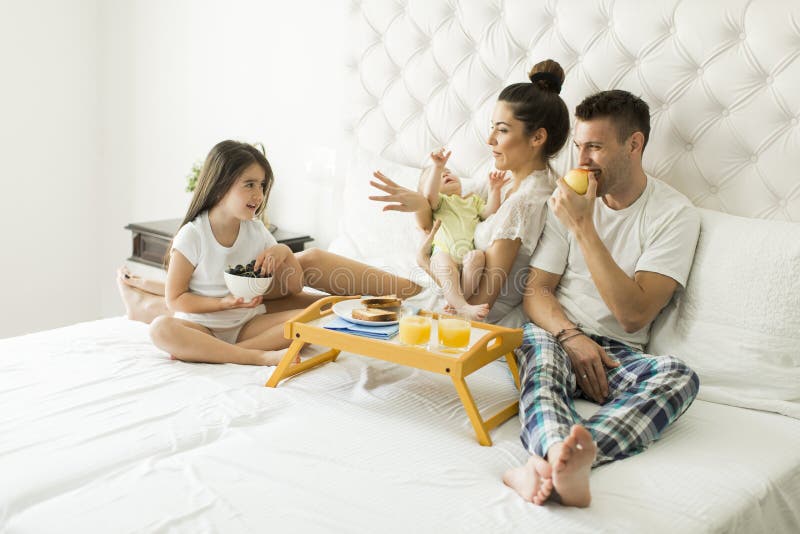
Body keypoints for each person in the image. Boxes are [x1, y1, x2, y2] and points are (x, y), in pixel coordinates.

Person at [502, 90, 702, 508]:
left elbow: (633, 315)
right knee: (540, 362)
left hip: (617, 353)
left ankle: (549, 461)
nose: (581, 160)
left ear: (634, 145)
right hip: (557, 333)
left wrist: (584, 227)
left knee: (679, 377)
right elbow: (535, 291)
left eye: (594, 147)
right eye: (578, 146)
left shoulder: (674, 215)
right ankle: (562, 458)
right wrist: (571, 337)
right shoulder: (567, 198)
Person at [370, 59, 571, 328]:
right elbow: (447, 201)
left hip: (460, 309)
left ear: (537, 138)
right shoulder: (509, 182)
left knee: (318, 271)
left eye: (502, 130)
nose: (490, 140)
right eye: (492, 127)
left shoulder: (524, 203)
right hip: (449, 289)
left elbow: (481, 305)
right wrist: (421, 203)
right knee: (311, 261)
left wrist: (425, 262)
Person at [148, 140, 307, 365]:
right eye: (249, 184)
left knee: (308, 324)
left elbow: (296, 287)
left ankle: (215, 352)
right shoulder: (193, 235)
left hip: (246, 325)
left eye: (262, 185)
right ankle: (257, 356)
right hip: (200, 326)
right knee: (161, 329)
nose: (259, 195)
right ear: (221, 185)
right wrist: (223, 304)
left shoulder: (257, 231)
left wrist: (283, 252)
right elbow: (175, 299)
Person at [375, 148, 509, 320]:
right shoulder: (440, 203)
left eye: (449, 172)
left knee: (478, 257)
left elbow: (489, 213)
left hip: (466, 256)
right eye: (439, 176)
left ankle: (459, 302)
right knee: (444, 263)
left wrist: (495, 190)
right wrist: (437, 167)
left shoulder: (472, 200)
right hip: (443, 253)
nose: (446, 174)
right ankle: (462, 305)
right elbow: (428, 196)